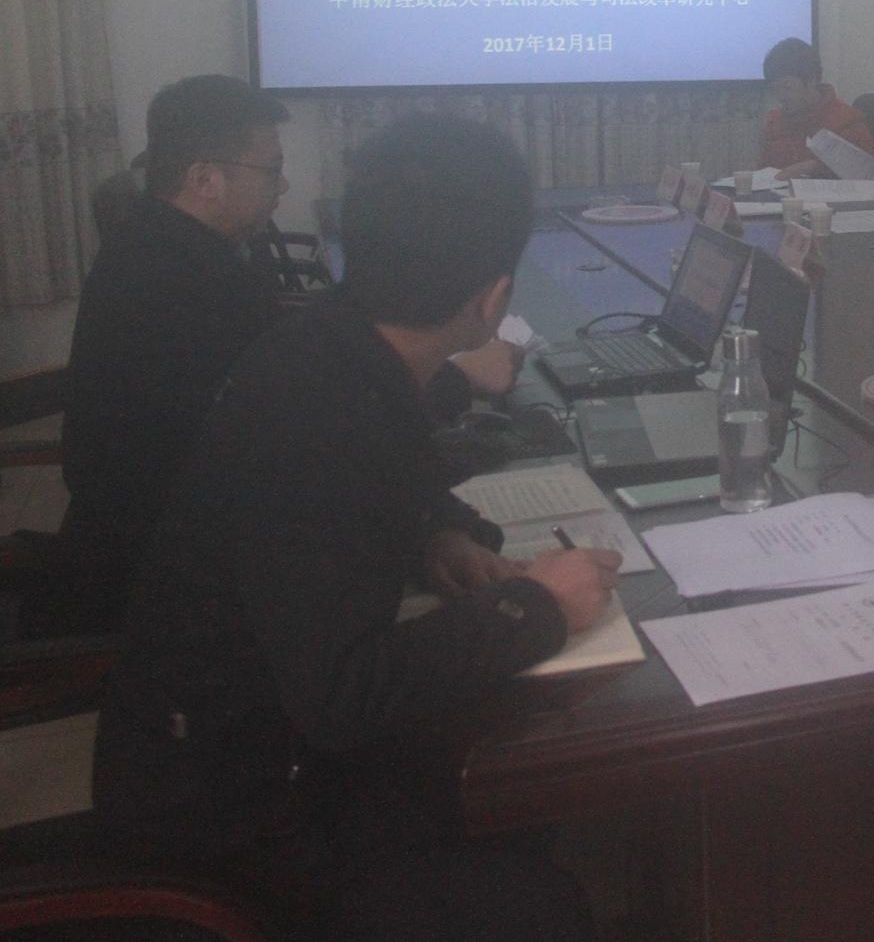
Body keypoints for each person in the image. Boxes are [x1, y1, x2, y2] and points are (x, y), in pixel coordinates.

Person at [94, 114, 617, 942]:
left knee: (521, 799)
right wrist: (539, 606)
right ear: (493, 300)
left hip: (249, 747)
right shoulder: (319, 418)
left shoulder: (336, 344)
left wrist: (436, 537)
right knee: (539, 894)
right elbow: (345, 696)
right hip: (230, 817)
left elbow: (382, 490)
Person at [44, 76, 522, 636]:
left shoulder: (169, 248)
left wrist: (436, 527)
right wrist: (454, 377)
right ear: (204, 179)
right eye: (271, 170)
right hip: (161, 587)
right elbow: (325, 419)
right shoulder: (185, 290)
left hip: (165, 540)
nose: (284, 184)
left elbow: (327, 398)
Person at [757, 36, 874, 176]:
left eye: (787, 87)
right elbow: (763, 175)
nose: (780, 96)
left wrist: (815, 168)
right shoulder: (774, 122)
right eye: (774, 89)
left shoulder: (847, 122)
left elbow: (870, 177)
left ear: (811, 80)